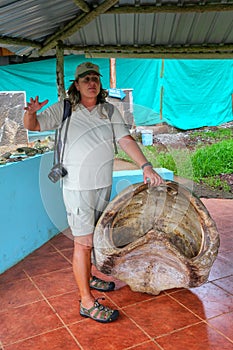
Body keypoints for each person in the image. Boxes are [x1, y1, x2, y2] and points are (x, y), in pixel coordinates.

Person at [24, 61, 164, 323]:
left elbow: (124, 140)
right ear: (76, 85)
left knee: (93, 237)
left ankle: (89, 276)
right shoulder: (64, 108)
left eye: (95, 79)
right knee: (83, 243)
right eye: (85, 79)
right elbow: (34, 126)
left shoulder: (109, 111)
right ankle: (87, 302)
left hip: (102, 185)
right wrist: (30, 113)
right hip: (77, 188)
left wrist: (145, 165)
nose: (91, 83)